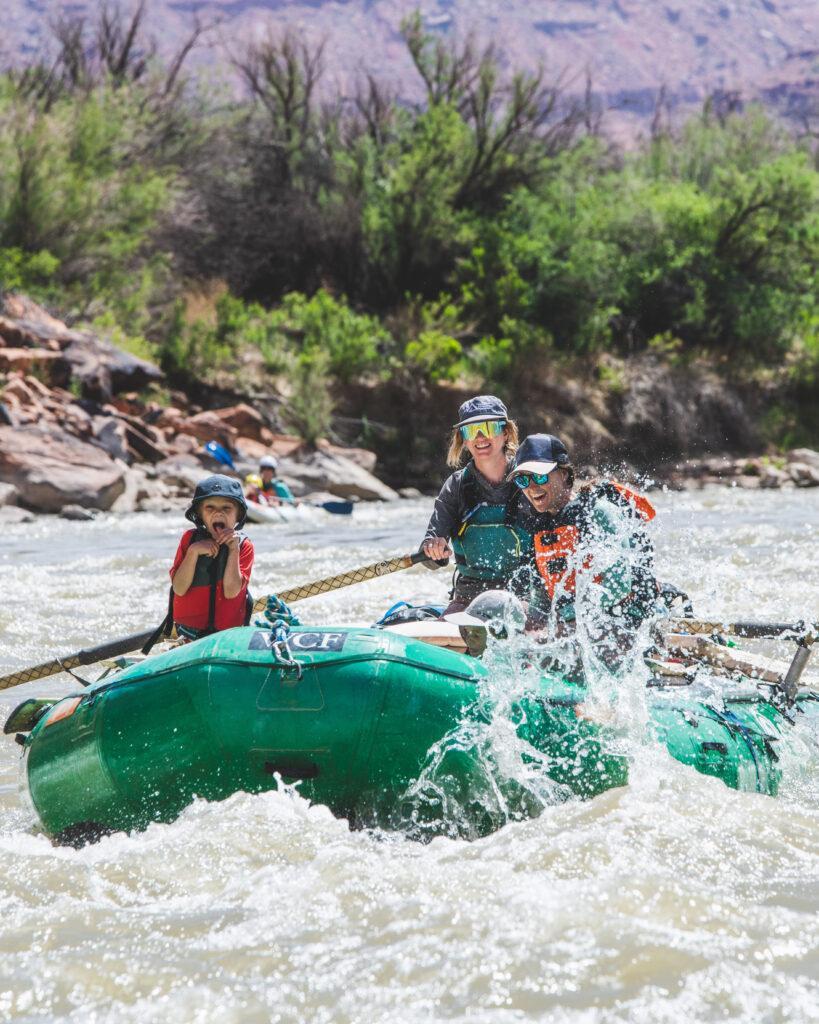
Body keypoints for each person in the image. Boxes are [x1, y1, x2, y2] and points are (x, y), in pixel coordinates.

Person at [508, 434, 659, 651]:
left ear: (563, 474)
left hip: (625, 620)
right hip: (573, 626)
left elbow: (618, 584)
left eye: (539, 477)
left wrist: (569, 620)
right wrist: (530, 628)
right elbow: (541, 597)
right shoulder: (539, 529)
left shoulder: (598, 512)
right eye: (523, 479)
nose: (531, 487)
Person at [421, 395, 528, 614]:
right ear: (464, 439)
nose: (480, 437)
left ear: (505, 432)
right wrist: (433, 551)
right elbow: (430, 560)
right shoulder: (456, 486)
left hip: (524, 594)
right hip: (469, 596)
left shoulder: (529, 479)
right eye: (471, 430)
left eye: (488, 427)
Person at [168, 474, 255, 640]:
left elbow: (231, 592)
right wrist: (193, 552)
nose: (218, 513)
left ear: (238, 516)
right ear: (200, 514)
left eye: (226, 508)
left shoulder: (243, 546)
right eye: (210, 508)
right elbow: (178, 588)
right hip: (188, 632)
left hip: (227, 633)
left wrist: (233, 550)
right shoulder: (190, 540)